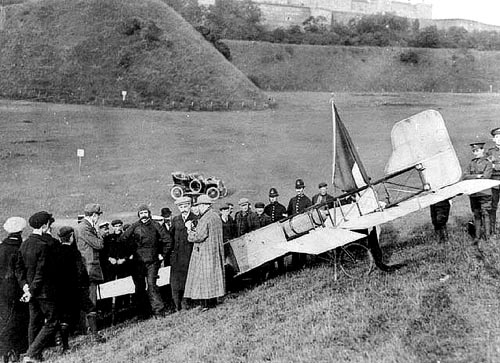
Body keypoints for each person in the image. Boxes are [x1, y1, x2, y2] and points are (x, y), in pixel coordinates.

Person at [16, 211, 60, 363]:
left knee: (34, 322)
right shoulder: (44, 246)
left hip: (30, 290)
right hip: (44, 291)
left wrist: (26, 288)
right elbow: (41, 272)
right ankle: (31, 354)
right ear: (45, 225)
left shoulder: (25, 243)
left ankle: (35, 355)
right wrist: (32, 290)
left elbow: (19, 269)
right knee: (53, 321)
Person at [119, 204, 169, 317]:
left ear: (149, 214)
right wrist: (130, 253)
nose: (144, 216)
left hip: (152, 261)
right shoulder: (134, 226)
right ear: (138, 215)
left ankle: (159, 311)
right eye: (141, 213)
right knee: (140, 287)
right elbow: (122, 239)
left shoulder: (156, 225)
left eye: (145, 213)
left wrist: (163, 255)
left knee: (152, 285)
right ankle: (142, 313)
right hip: (138, 262)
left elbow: (167, 240)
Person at [56, 226, 94, 352]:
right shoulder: (74, 252)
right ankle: (95, 336)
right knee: (90, 309)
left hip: (61, 290)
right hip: (76, 289)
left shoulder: (55, 252)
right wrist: (85, 284)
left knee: (64, 318)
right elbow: (81, 272)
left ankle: (65, 346)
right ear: (72, 236)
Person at [185, 195, 225, 311]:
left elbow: (198, 236)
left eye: (199, 205)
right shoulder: (215, 216)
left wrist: (189, 231)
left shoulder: (205, 218)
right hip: (215, 250)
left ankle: (206, 304)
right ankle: (213, 302)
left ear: (204, 205)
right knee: (213, 277)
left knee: (204, 278)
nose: (198, 208)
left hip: (205, 252)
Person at [0, 217, 29, 363]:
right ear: (20, 232)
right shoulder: (20, 248)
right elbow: (20, 272)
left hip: (2, 291)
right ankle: (16, 352)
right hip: (17, 290)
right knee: (18, 321)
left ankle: (4, 352)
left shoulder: (2, 247)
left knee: (5, 321)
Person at [75, 203, 105, 336]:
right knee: (90, 299)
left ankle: (88, 327)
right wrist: (98, 232)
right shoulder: (85, 228)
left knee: (89, 298)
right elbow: (99, 244)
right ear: (94, 215)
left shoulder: (83, 227)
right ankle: (90, 328)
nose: (98, 218)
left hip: (88, 267)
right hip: (89, 267)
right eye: (98, 215)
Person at [168, 197, 197, 311]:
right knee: (175, 282)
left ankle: (187, 304)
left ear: (190, 205)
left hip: (190, 256)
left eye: (185, 206)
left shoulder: (195, 219)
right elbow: (170, 237)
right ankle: (177, 306)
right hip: (177, 257)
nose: (183, 209)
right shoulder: (176, 220)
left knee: (187, 280)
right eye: (181, 207)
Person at [464, 142, 493, 243]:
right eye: (473, 151)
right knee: (476, 215)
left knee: (486, 214)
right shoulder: (471, 163)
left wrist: (477, 176)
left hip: (485, 193)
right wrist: (477, 176)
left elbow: (486, 177)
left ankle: (487, 237)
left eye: (477, 150)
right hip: (474, 193)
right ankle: (477, 237)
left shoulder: (488, 163)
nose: (475, 153)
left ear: (482, 150)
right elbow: (465, 176)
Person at [287, 179, 312, 268]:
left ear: (303, 189)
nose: (299, 190)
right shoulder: (292, 200)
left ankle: (303, 264)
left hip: (303, 226)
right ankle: (295, 264)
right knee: (295, 244)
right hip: (294, 227)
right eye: (297, 188)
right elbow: (289, 213)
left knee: (303, 244)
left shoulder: (307, 200)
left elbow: (310, 214)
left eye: (300, 188)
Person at [486, 127, 500, 235]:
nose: (499, 139)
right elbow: (488, 166)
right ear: (493, 139)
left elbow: (494, 166)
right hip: (494, 182)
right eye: (497, 137)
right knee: (493, 206)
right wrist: (493, 166)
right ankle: (492, 230)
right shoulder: (490, 152)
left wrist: (496, 165)